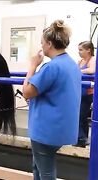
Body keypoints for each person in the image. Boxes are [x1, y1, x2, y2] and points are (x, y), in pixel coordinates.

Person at [23, 20, 81, 180]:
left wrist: (32, 65)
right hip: (63, 128)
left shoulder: (51, 67)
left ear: (49, 43)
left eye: (42, 43)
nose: (41, 47)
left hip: (46, 130)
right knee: (38, 165)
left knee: (46, 171)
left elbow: (27, 91)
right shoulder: (71, 64)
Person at [76, 41, 95, 147]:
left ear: (88, 50)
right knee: (80, 116)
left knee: (81, 115)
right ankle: (81, 137)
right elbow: (74, 70)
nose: (79, 52)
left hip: (88, 93)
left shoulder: (93, 60)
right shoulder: (80, 61)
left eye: (81, 50)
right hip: (80, 92)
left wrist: (80, 72)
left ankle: (82, 137)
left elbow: (92, 70)